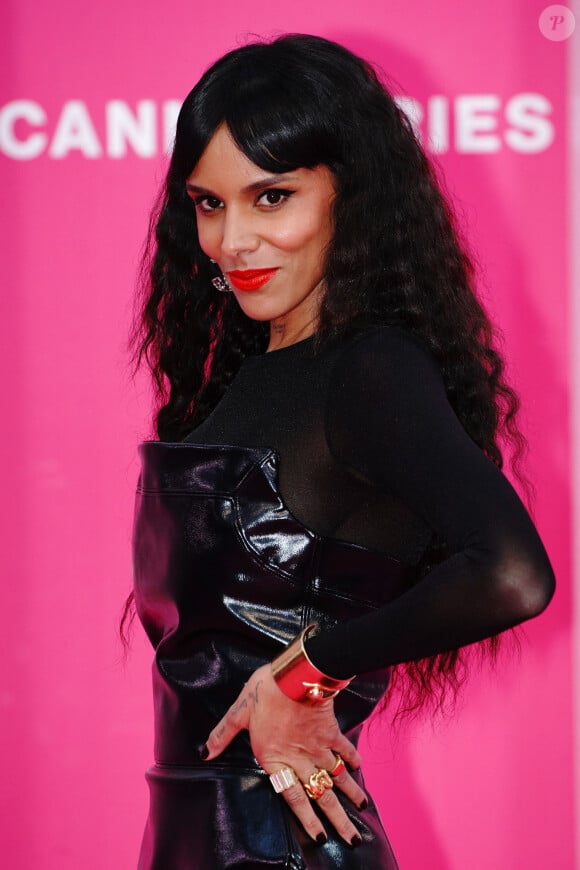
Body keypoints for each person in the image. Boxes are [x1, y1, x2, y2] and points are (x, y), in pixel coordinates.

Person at [124, 34, 555, 869]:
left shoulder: (369, 370)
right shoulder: (247, 376)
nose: (233, 241)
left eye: (272, 197)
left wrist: (307, 675)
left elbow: (511, 572)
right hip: (200, 838)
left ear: (348, 197)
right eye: (210, 205)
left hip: (279, 847)